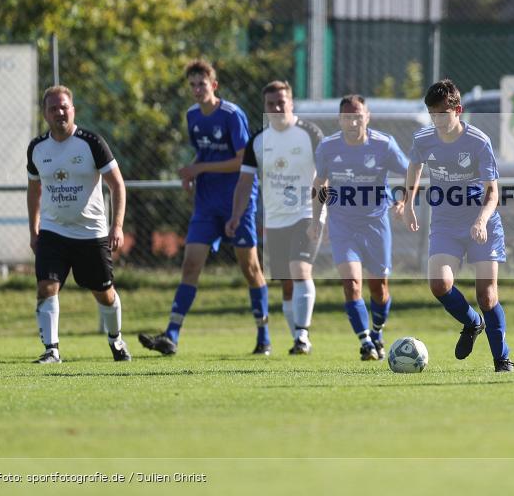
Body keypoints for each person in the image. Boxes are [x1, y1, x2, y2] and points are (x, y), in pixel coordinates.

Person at [139, 60, 271, 356]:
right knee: (190, 264)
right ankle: (171, 335)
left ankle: (264, 336)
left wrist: (200, 168)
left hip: (238, 200)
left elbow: (242, 160)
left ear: (214, 85)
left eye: (202, 84)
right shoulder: (192, 116)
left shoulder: (232, 114)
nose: (197, 90)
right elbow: (203, 151)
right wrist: (191, 171)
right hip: (206, 203)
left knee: (250, 268)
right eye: (192, 85)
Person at [403, 79, 514, 372]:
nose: (436, 120)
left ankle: (502, 360)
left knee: (487, 295)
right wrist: (408, 203)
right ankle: (472, 322)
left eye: (442, 113)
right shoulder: (423, 139)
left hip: (482, 222)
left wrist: (480, 220)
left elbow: (493, 192)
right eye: (432, 114)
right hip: (445, 223)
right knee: (439, 284)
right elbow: (414, 166)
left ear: (458, 110)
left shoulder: (478, 141)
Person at [26, 85, 130, 363]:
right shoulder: (37, 148)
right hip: (53, 231)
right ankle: (52, 350)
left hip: (90, 233)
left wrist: (117, 226)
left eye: (64, 107)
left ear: (73, 110)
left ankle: (116, 340)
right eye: (53, 108)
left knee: (104, 294)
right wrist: (33, 229)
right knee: (46, 286)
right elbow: (34, 189)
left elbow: (117, 185)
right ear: (45, 113)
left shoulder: (91, 143)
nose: (59, 112)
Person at [227, 80, 323, 355]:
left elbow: (324, 179)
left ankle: (302, 336)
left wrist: (318, 218)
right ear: (265, 107)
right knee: (286, 282)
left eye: (282, 102)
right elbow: (245, 183)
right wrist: (236, 216)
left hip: (306, 212)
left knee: (300, 270)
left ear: (291, 103)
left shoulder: (309, 133)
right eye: (271, 104)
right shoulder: (257, 141)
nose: (277, 107)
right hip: (276, 219)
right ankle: (298, 339)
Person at [310, 95, 409, 360]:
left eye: (357, 116)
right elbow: (320, 184)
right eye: (347, 117)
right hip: (342, 224)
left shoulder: (384, 145)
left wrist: (403, 201)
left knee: (379, 288)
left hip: (376, 223)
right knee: (352, 283)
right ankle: (365, 342)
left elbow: (412, 174)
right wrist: (316, 220)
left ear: (367, 116)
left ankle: (377, 332)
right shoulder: (328, 148)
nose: (352, 121)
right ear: (340, 120)